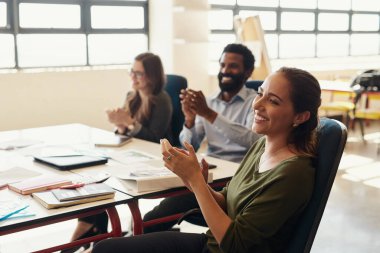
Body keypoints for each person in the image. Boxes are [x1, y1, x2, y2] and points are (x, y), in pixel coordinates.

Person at [92, 66, 322, 253]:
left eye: (273, 101)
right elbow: (227, 202)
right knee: (106, 248)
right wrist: (195, 182)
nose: (257, 104)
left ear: (300, 117)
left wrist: (197, 183)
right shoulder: (262, 145)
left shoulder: (293, 174)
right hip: (209, 245)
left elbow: (235, 244)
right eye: (260, 93)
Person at [143, 43, 261, 233]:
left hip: (236, 177)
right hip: (210, 173)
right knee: (153, 217)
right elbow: (192, 145)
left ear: (248, 72)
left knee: (152, 221)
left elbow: (252, 139)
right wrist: (189, 121)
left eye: (233, 66)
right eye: (222, 65)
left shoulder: (255, 102)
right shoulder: (211, 101)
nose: (225, 71)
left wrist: (209, 114)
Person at [62, 52, 173, 253]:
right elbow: (125, 133)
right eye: (131, 71)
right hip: (131, 155)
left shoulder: (162, 100)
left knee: (105, 181)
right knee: (95, 176)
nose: (133, 77)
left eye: (138, 73)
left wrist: (129, 122)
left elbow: (155, 138)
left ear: (152, 76)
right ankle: (94, 230)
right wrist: (120, 124)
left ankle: (90, 229)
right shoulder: (131, 96)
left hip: (155, 160)